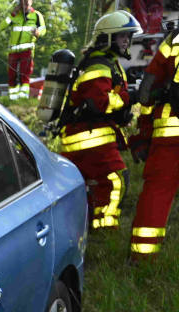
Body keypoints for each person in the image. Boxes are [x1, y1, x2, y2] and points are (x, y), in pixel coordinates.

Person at [58, 11, 141, 231]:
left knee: (93, 185)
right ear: (107, 38)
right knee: (116, 179)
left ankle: (89, 224)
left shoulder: (107, 63)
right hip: (89, 138)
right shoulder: (98, 66)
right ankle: (104, 226)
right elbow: (100, 103)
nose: (127, 41)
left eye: (128, 36)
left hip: (89, 135)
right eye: (122, 36)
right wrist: (129, 97)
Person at [128, 30, 179, 257]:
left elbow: (147, 91)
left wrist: (144, 133)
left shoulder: (174, 40)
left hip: (169, 130)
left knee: (157, 191)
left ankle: (142, 255)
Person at [5, 0, 46, 100]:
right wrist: (12, 15)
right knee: (11, 76)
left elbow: (43, 29)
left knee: (25, 76)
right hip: (13, 52)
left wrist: (38, 32)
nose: (25, 3)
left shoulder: (36, 15)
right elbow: (2, 25)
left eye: (27, 1)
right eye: (23, 1)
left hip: (27, 51)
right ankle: (13, 99)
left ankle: (23, 99)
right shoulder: (15, 15)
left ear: (31, 2)